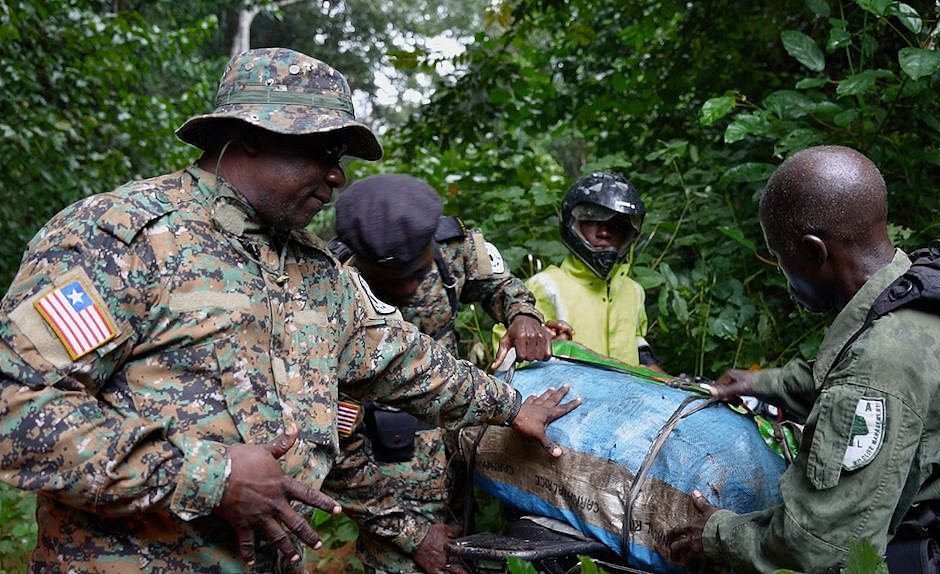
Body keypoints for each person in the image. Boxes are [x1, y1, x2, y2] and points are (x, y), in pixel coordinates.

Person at [0, 47, 578, 574]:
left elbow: (404, 360)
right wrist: (210, 476)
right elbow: (14, 407)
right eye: (322, 150)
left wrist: (511, 407)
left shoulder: (314, 268)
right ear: (250, 135)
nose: (338, 176)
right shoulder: (122, 239)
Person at [659, 145, 940, 573]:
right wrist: (762, 384)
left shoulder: (879, 363)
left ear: (813, 252)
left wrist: (716, 535)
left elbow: (818, 545)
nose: (782, 272)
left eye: (779, 256)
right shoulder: (920, 295)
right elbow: (853, 386)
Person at [328, 173, 568, 573]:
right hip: (387, 487)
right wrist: (412, 535)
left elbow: (497, 285)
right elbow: (336, 455)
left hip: (457, 456)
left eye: (416, 276)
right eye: (390, 285)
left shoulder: (450, 249)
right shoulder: (325, 301)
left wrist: (523, 314)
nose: (407, 290)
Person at [494, 171, 663, 371]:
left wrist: (675, 383)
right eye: (593, 222)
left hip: (630, 399)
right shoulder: (545, 286)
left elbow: (639, 347)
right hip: (567, 397)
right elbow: (504, 358)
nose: (604, 232)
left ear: (628, 234)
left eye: (615, 225)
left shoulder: (634, 291)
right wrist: (549, 343)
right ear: (573, 225)